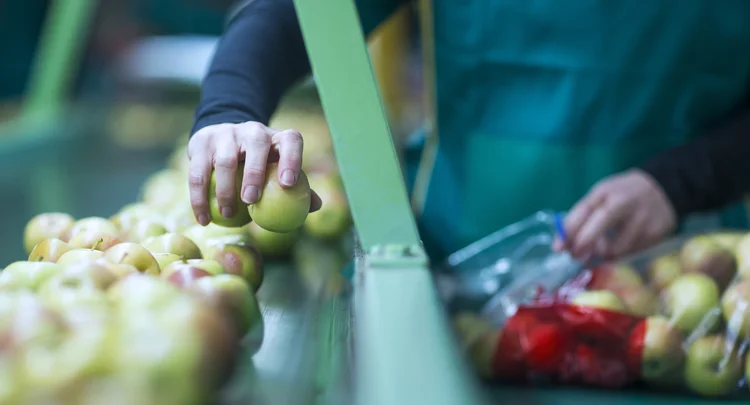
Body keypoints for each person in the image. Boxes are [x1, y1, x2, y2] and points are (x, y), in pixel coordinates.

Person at [188, 0, 750, 262]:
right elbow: (294, 16)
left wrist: (679, 183)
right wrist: (229, 112)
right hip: (466, 278)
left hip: (690, 280)